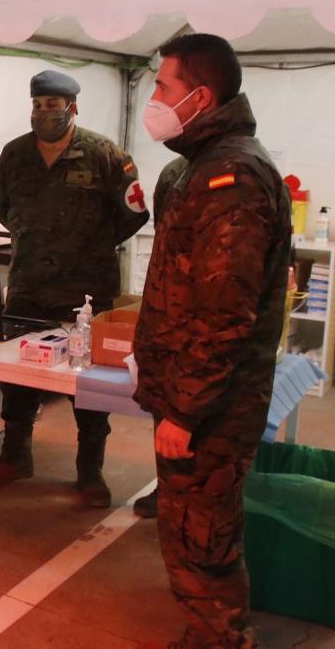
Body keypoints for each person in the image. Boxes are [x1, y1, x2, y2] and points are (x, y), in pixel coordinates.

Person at [133, 33, 290, 649]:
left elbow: (226, 314)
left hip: (212, 405)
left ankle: (221, 639)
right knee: (192, 530)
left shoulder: (232, 177)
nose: (153, 98)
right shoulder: (198, 166)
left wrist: (186, 410)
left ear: (199, 97)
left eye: (162, 86)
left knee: (203, 539)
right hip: (193, 393)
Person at [0, 69, 149, 507]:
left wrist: (90, 242)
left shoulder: (104, 153)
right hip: (29, 282)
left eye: (52, 106)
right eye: (37, 105)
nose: (43, 113)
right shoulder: (16, 153)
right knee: (18, 374)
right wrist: (31, 234)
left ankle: (90, 472)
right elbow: (0, 202)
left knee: (89, 380)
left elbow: (134, 212)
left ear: (72, 107)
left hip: (87, 287)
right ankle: (15, 455)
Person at [132, 153, 189, 520]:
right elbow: (164, 232)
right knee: (167, 406)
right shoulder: (174, 173)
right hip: (172, 307)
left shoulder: (242, 170)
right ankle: (166, 487)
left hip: (214, 309)